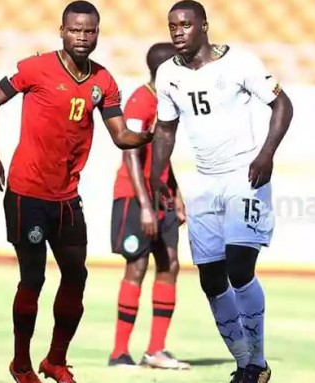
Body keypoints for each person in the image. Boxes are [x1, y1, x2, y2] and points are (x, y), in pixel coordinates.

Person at [0, 2, 154, 382]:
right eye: (75, 30)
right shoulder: (36, 68)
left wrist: (153, 133)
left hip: (67, 198)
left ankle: (55, 360)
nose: (82, 37)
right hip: (27, 193)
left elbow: (121, 135)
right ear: (62, 31)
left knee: (77, 276)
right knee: (33, 279)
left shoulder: (103, 81)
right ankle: (21, 363)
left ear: (97, 34)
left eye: (89, 31)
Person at [150, 1, 293, 382]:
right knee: (210, 280)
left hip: (244, 175)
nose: (178, 31)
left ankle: (257, 361)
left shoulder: (240, 62)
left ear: (204, 26)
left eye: (185, 24)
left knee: (240, 267)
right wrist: (155, 176)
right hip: (203, 182)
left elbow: (282, 104)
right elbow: (165, 129)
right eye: (172, 26)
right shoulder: (167, 74)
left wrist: (266, 154)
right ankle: (247, 363)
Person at [108, 42, 189, 370]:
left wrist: (176, 194)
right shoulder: (142, 101)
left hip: (162, 197)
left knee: (170, 264)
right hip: (134, 196)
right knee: (137, 267)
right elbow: (131, 154)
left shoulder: (169, 102)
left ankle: (156, 350)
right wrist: (144, 205)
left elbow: (161, 157)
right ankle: (119, 353)